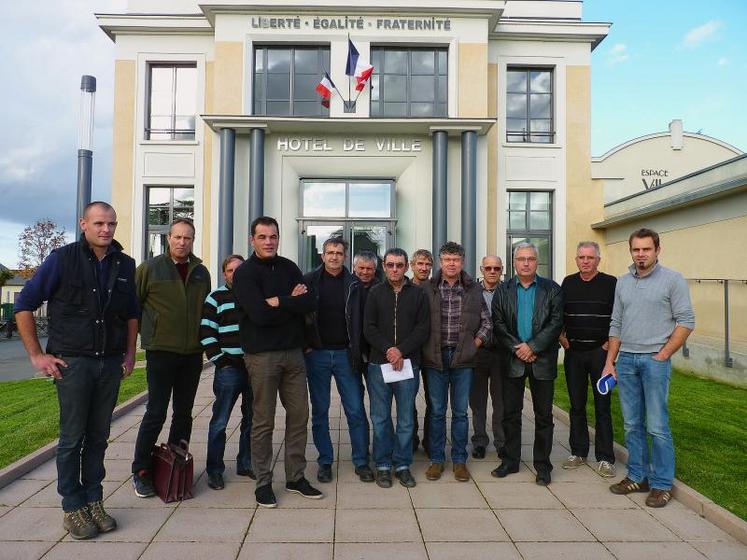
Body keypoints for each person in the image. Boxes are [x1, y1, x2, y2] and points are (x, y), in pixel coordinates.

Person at [15, 201, 137, 539]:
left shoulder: (125, 264)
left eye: (111, 224)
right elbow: (24, 305)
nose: (106, 230)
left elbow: (131, 314)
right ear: (83, 223)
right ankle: (72, 506)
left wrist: (129, 355)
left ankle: (94, 499)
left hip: (110, 363)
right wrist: (37, 355)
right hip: (74, 364)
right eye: (99, 223)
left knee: (99, 436)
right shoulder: (61, 260)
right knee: (72, 439)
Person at [232, 216, 322, 508]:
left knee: (299, 415)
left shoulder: (290, 267)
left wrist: (278, 301)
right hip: (262, 356)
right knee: (263, 420)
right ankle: (263, 482)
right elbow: (258, 315)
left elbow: (309, 302)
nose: (269, 241)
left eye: (273, 236)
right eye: (262, 237)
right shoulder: (245, 274)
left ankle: (296, 477)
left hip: (294, 354)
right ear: (252, 240)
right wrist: (289, 301)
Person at [604, 228, 694, 508]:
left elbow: (686, 322)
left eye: (646, 249)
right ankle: (637, 476)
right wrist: (610, 362)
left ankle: (661, 484)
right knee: (632, 424)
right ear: (630, 251)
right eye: (636, 250)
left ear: (657, 250)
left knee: (657, 425)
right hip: (627, 361)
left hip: (654, 362)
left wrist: (663, 354)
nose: (641, 254)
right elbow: (616, 323)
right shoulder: (622, 283)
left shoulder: (673, 280)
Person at [131, 218, 211, 498]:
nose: (182, 242)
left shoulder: (201, 272)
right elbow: (133, 307)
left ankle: (175, 465)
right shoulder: (150, 269)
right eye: (177, 237)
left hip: (192, 353)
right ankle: (141, 470)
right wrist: (149, 333)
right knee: (156, 411)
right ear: (169, 238)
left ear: (193, 240)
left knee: (184, 414)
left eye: (187, 238)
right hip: (161, 351)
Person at [491, 242, 563, 486]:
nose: (525, 263)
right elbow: (498, 323)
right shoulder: (503, 289)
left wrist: (532, 346)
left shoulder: (552, 289)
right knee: (510, 414)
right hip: (513, 360)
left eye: (530, 258)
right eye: (521, 258)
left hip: (542, 360)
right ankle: (510, 461)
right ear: (514, 263)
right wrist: (519, 348)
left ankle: (543, 466)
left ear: (537, 261)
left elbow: (555, 323)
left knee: (543, 416)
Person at [421, 242, 491, 482]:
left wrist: (474, 345)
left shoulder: (473, 289)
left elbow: (486, 323)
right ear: (440, 262)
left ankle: (459, 461)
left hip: (464, 359)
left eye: (456, 259)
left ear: (462, 262)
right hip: (435, 358)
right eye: (447, 259)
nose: (451, 264)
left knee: (460, 413)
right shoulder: (428, 288)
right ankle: (437, 460)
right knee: (438, 412)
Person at [303, 238, 372, 483]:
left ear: (345, 257)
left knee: (355, 410)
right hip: (318, 355)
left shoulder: (355, 284)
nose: (334, 257)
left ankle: (361, 461)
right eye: (330, 252)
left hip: (346, 355)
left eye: (339, 253)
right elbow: (298, 315)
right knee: (320, 411)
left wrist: (361, 352)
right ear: (322, 255)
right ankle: (325, 461)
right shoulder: (309, 281)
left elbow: (364, 322)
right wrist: (306, 345)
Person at [364, 248, 430, 488]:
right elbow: (369, 328)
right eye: (390, 265)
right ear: (384, 266)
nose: (394, 269)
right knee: (380, 417)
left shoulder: (418, 295)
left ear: (406, 267)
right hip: (378, 364)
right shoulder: (374, 293)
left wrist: (401, 350)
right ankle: (382, 465)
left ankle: (402, 464)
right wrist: (389, 351)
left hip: (407, 364)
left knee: (405, 419)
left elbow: (423, 329)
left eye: (399, 265)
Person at [560, 241, 617, 477]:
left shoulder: (611, 283)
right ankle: (579, 451)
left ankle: (605, 458)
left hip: (600, 354)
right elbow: (559, 314)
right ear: (576, 260)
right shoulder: (568, 283)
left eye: (590, 258)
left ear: (598, 260)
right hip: (574, 353)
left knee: (602, 406)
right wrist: (562, 337)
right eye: (581, 257)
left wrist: (608, 346)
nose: (585, 261)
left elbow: (618, 317)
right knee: (576, 405)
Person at [200, 254, 254, 490]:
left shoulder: (253, 294)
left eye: (239, 270)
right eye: (231, 270)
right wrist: (221, 361)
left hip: (253, 368)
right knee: (220, 421)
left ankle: (246, 463)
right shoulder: (215, 297)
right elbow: (206, 333)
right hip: (229, 369)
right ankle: (214, 470)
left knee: (252, 420)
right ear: (225, 274)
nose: (235, 274)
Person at [469, 255, 505, 460]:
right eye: (488, 268)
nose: (492, 271)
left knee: (500, 401)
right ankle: (480, 440)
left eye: (496, 268)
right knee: (477, 401)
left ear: (502, 270)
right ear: (481, 270)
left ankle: (501, 441)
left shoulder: (508, 291)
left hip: (501, 353)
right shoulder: (472, 291)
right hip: (478, 352)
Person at [409, 248, 434, 454]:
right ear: (412, 265)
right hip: (410, 353)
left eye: (427, 264)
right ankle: (411, 438)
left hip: (432, 353)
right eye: (420, 264)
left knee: (433, 400)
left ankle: (430, 440)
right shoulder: (404, 286)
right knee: (408, 399)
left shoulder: (436, 288)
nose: (424, 268)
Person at [347, 251, 381, 379]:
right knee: (353, 396)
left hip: (375, 351)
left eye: (369, 269)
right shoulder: (347, 287)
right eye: (361, 268)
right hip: (350, 351)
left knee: (376, 394)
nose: (365, 272)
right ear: (354, 267)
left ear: (375, 269)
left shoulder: (382, 289)